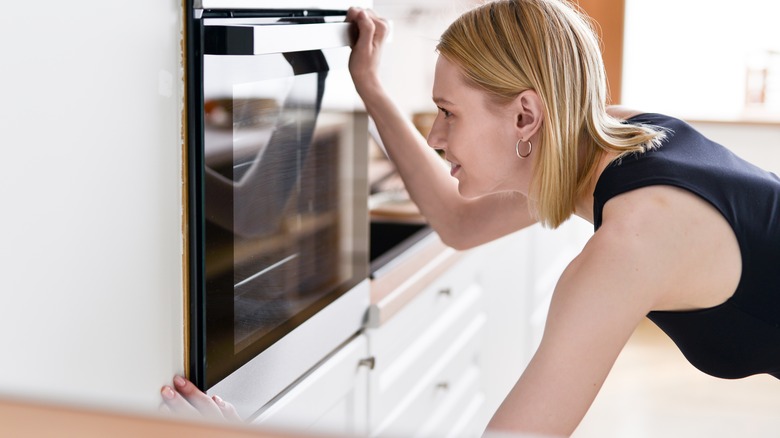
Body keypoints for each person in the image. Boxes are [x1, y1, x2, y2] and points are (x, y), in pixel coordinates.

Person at [163, 0, 780, 436]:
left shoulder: (630, 246)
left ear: (524, 117)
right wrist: (370, 87)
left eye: (447, 113)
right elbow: (457, 222)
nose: (435, 135)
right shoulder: (611, 135)